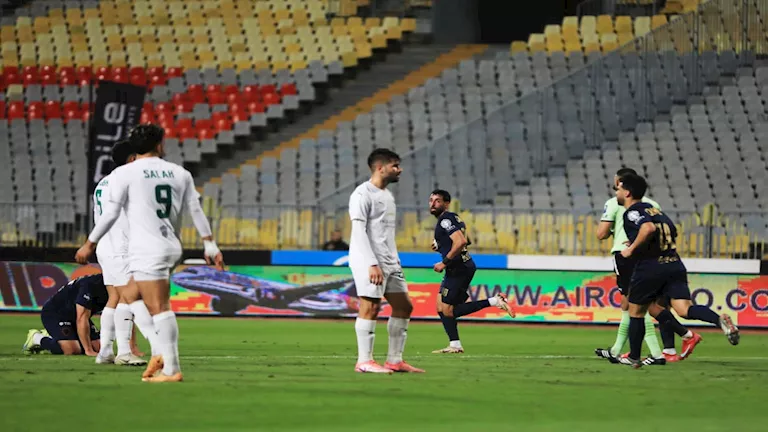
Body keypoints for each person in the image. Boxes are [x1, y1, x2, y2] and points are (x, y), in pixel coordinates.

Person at [75, 123, 225, 383]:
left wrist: (90, 243)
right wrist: (209, 244)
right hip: (170, 245)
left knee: (159, 307)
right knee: (130, 295)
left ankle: (169, 365)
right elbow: (195, 209)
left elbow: (111, 213)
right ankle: (157, 352)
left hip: (147, 248)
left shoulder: (125, 174)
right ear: (159, 144)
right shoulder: (178, 172)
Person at [613, 173, 740, 368]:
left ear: (627, 193)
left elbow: (648, 229)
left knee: (636, 310)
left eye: (619, 189)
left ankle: (634, 357)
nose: (617, 192)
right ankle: (719, 319)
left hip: (651, 267)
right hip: (674, 264)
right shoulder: (656, 211)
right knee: (684, 309)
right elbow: (672, 232)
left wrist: (631, 249)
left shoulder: (632, 212)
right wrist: (643, 244)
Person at [348, 148, 424, 374]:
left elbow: (385, 234)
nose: (399, 170)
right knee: (370, 306)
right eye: (395, 166)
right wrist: (371, 263)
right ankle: (364, 361)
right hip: (368, 260)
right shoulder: (362, 194)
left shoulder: (387, 196)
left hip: (389, 261)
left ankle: (394, 360)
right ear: (380, 168)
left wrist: (394, 260)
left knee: (404, 306)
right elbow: (359, 231)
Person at [594, 167, 679, 365]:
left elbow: (601, 233)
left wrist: (623, 239)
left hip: (626, 255)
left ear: (624, 186)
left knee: (636, 306)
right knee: (633, 305)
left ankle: (660, 351)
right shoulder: (652, 204)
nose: (616, 188)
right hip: (651, 259)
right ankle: (617, 350)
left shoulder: (614, 203)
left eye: (617, 185)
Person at [428, 190, 515, 354]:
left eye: (437, 201)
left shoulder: (446, 220)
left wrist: (443, 262)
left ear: (446, 203)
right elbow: (466, 240)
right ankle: (454, 344)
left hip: (458, 268)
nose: (432, 204)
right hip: (459, 267)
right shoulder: (454, 218)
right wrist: (441, 245)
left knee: (448, 310)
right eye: (431, 200)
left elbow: (460, 242)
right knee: (440, 306)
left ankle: (495, 301)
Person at [93, 139, 148, 366]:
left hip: (105, 246)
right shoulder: (129, 181)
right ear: (132, 158)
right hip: (122, 247)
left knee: (114, 298)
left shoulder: (103, 183)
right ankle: (124, 352)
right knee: (130, 297)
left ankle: (105, 351)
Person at [22, 274, 108, 356]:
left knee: (98, 348)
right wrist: (88, 350)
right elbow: (81, 318)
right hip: (56, 313)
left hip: (75, 314)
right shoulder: (90, 285)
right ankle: (37, 338)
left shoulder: (112, 288)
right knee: (72, 349)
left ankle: (61, 337)